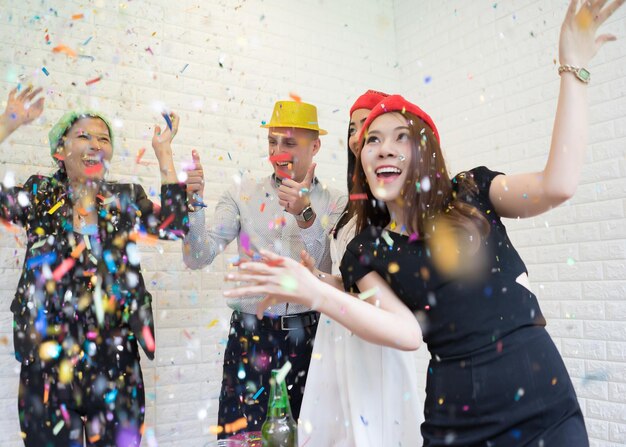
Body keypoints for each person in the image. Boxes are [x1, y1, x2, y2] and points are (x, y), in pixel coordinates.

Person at [223, 1, 624, 445]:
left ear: (425, 151)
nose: (384, 148)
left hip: (545, 404)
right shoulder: (366, 250)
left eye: (401, 137)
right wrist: (317, 290)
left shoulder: (472, 191)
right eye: (372, 140)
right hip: (457, 418)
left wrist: (573, 66)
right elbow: (407, 333)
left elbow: (557, 184)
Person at [0, 86, 188, 447]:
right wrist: (10, 122)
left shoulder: (126, 198)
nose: (95, 144)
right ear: (60, 150)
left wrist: (164, 153)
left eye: (103, 138)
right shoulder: (39, 194)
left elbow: (175, 226)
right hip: (47, 361)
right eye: (83, 135)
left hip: (116, 361)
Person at [181, 100, 346, 438]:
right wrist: (195, 203)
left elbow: (321, 263)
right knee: (243, 440)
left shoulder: (335, 202)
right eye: (272, 141)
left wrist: (304, 212)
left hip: (309, 338)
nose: (277, 151)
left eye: (289, 143)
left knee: (310, 437)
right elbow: (198, 255)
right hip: (249, 337)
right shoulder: (241, 194)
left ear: (315, 146)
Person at [297, 90, 423, 446]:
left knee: (376, 430)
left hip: (378, 336)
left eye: (366, 125)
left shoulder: (394, 202)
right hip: (336, 331)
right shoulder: (351, 205)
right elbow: (352, 281)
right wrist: (319, 278)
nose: (357, 135)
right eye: (353, 127)